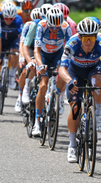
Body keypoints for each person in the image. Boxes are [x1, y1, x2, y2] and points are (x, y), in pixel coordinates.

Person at [59, 17, 101, 163]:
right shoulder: (72, 43)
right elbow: (62, 68)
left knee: (98, 82)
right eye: (85, 38)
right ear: (80, 37)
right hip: (75, 72)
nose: (89, 42)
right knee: (75, 108)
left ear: (96, 36)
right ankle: (72, 145)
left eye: (92, 38)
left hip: (93, 68)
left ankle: (97, 113)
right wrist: (69, 81)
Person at [32, 8, 72, 136]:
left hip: (58, 54)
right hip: (43, 55)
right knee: (43, 85)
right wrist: (40, 65)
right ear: (47, 22)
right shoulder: (41, 26)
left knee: (63, 73)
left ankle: (57, 96)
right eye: (52, 27)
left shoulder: (65, 27)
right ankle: (37, 123)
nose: (54, 29)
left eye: (57, 27)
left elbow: (71, 47)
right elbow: (36, 50)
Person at [0, 2, 23, 104]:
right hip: (0, 40)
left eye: (10, 19)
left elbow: (21, 37)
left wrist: (21, 51)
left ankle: (12, 76)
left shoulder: (18, 19)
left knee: (14, 52)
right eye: (6, 18)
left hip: (13, 40)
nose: (8, 21)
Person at [14, 8, 41, 112]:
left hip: (40, 49)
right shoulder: (28, 26)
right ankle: (20, 96)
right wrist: (22, 58)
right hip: (29, 47)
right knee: (27, 69)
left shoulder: (44, 27)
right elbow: (22, 44)